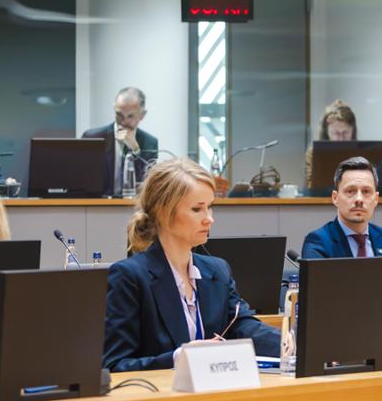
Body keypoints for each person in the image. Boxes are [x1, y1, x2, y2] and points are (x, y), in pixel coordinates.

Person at [104, 158, 280, 371]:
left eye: (210, 208)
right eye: (197, 209)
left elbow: (242, 326)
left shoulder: (218, 270)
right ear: (163, 212)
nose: (209, 219)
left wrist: (291, 342)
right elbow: (114, 364)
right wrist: (179, 357)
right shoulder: (129, 276)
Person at [299, 156, 382, 261]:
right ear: (335, 198)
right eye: (350, 191)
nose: (359, 199)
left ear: (376, 199)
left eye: (366, 192)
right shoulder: (319, 242)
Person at [82, 86, 158, 197]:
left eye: (130, 116)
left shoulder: (150, 142)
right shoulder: (92, 137)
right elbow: (83, 179)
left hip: (132, 207)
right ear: (114, 108)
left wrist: (136, 150)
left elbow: (146, 184)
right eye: (119, 115)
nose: (123, 122)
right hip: (97, 206)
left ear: (142, 114)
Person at [304, 99, 359, 190]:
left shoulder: (364, 151)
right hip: (324, 201)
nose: (341, 139)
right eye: (336, 133)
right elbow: (312, 186)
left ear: (353, 132)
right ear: (326, 132)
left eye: (345, 133)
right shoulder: (313, 153)